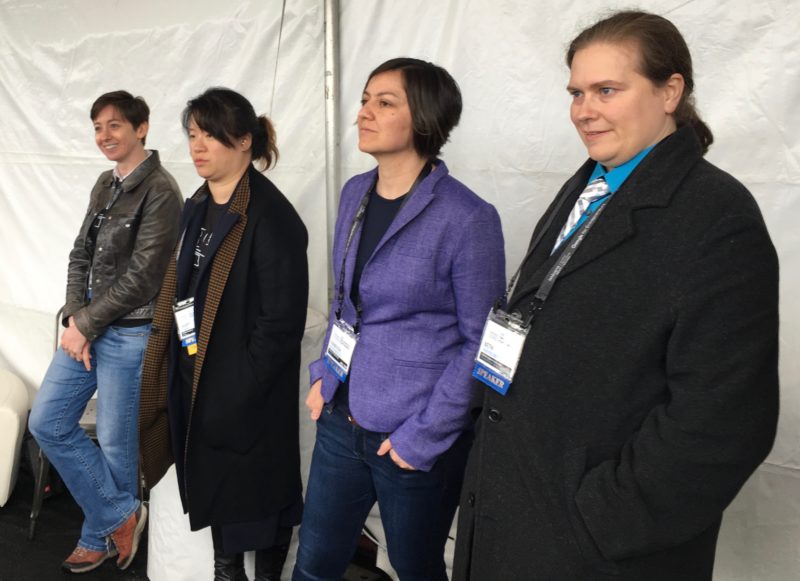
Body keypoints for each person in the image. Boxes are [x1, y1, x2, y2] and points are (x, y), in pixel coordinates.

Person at [453, 10, 780, 581]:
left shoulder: (717, 216)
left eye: (607, 89)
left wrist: (601, 523)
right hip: (511, 513)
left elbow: (724, 421)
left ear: (670, 90)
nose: (584, 110)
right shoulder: (587, 186)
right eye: (577, 92)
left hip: (594, 553)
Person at [292, 58, 505, 581]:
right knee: (316, 562)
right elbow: (347, 302)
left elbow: (482, 342)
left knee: (415, 568)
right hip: (342, 417)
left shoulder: (468, 217)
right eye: (365, 99)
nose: (364, 112)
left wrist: (426, 435)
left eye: (384, 102)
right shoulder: (354, 194)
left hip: (413, 431)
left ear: (426, 118)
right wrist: (324, 373)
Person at [138, 87, 308, 581]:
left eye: (211, 135)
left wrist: (235, 391)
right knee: (217, 498)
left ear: (244, 141)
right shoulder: (197, 205)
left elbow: (279, 327)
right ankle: (224, 571)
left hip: (243, 393)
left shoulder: (271, 217)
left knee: (258, 498)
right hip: (198, 375)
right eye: (193, 134)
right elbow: (184, 292)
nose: (198, 146)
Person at [28, 91, 182, 573]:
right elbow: (81, 254)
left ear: (142, 128)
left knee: (117, 446)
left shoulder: (162, 190)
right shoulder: (104, 182)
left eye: (114, 125)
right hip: (88, 330)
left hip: (132, 334)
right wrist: (76, 319)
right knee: (47, 422)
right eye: (97, 127)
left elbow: (144, 276)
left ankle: (98, 535)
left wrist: (88, 324)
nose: (104, 136)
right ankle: (121, 514)